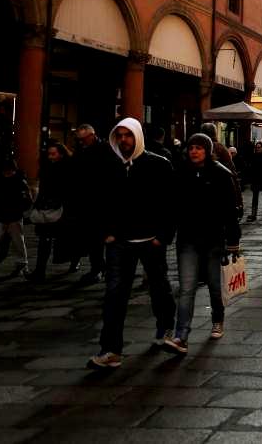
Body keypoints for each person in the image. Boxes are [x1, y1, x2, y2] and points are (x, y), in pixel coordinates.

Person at [88, 117, 176, 370]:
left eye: (128, 135)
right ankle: (111, 349)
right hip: (119, 242)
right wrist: (105, 232)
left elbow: (170, 204)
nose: (124, 140)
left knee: (159, 288)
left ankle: (165, 329)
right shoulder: (109, 166)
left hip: (151, 240)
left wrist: (163, 236)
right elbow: (98, 200)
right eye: (120, 135)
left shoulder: (158, 164)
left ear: (138, 137)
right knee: (114, 294)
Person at [164, 133, 241, 354]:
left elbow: (230, 210)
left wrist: (233, 240)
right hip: (187, 239)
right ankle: (181, 336)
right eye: (191, 148)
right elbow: (172, 207)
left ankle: (217, 319)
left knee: (215, 286)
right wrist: (167, 234)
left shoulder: (221, 174)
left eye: (198, 148)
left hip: (214, 238)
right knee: (187, 288)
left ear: (207, 150)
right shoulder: (180, 173)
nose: (194, 151)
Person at [68, 124, 110, 284]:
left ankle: (101, 268)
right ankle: (98, 267)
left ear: (92, 135)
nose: (81, 141)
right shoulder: (81, 149)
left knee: (100, 237)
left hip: (101, 200)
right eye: (79, 139)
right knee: (93, 238)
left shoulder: (105, 149)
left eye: (83, 139)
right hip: (85, 201)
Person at [27, 141, 74, 282]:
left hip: (62, 208)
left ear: (61, 154)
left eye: (53, 154)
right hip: (46, 208)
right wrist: (39, 204)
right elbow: (43, 189)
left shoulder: (68, 168)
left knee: (68, 238)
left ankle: (74, 262)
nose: (50, 157)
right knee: (44, 240)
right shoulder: (45, 168)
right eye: (49, 154)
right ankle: (40, 270)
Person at [0, 158, 30, 275]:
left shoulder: (19, 182)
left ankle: (22, 263)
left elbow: (26, 201)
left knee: (18, 242)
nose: (7, 173)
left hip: (13, 217)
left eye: (9, 171)